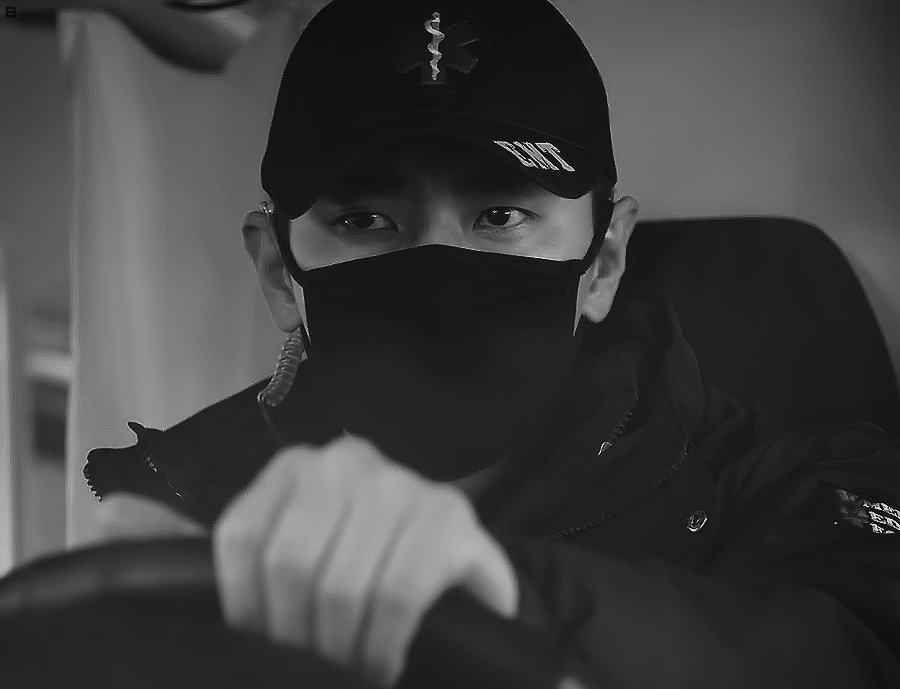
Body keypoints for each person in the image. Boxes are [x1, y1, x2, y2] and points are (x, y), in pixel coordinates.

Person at [85, 0, 900, 687]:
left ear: (604, 261)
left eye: (500, 215)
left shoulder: (792, 487)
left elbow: (852, 646)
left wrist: (510, 603)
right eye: (365, 219)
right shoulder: (176, 519)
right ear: (277, 270)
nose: (438, 270)